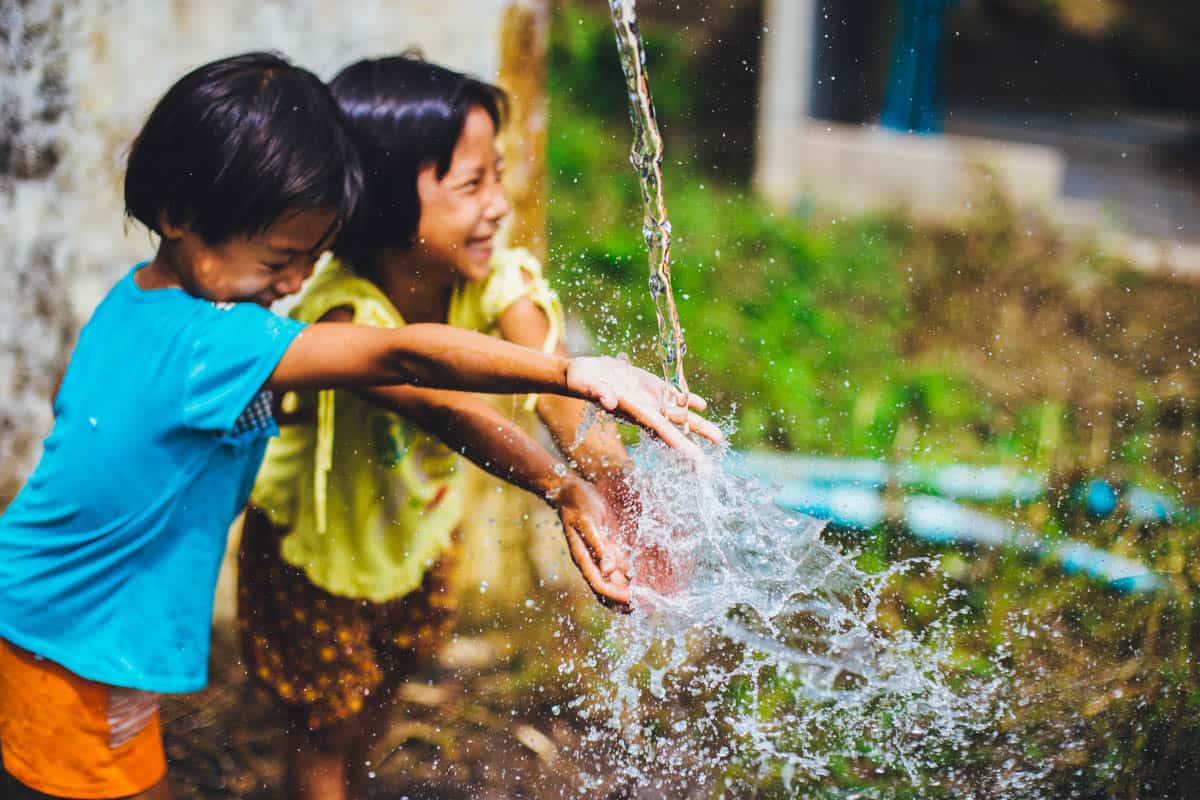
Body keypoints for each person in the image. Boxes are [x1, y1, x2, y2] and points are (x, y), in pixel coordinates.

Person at [0, 51, 716, 800]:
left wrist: (578, 475)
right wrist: (570, 372)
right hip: (74, 633)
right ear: (179, 217)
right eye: (280, 258)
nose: (292, 285)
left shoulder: (143, 302)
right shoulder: (214, 339)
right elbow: (404, 356)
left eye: (308, 260)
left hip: (59, 611)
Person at [237, 54, 700, 800]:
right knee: (324, 725)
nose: (498, 204)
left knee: (390, 683)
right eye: (471, 184)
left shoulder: (494, 278)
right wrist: (559, 486)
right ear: (386, 200)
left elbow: (556, 388)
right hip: (315, 549)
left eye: (499, 176)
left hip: (419, 532)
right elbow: (446, 407)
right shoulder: (345, 310)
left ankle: (351, 782)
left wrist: (616, 482)